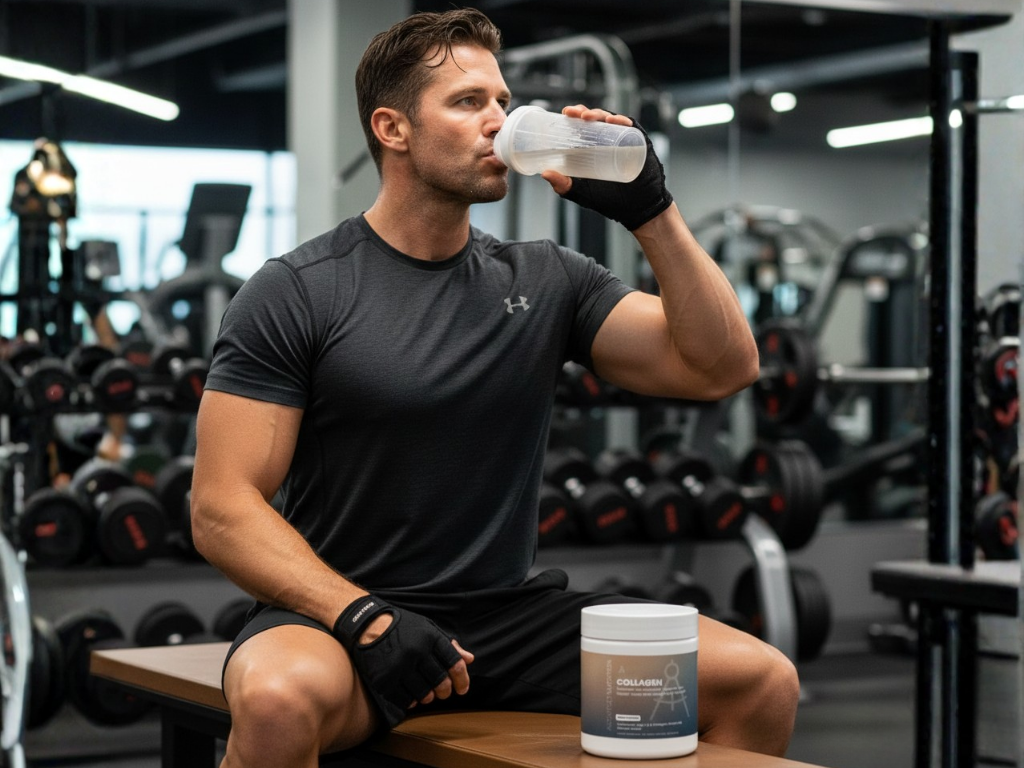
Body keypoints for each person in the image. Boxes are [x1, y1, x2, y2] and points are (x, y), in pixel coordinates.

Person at [191, 8, 799, 768]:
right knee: (279, 703)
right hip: (340, 620)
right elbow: (221, 508)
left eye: (503, 102)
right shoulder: (298, 291)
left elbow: (721, 367)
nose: (499, 122)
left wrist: (653, 214)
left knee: (759, 681)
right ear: (393, 128)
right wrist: (364, 617)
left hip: (511, 623)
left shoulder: (548, 278)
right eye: (468, 102)